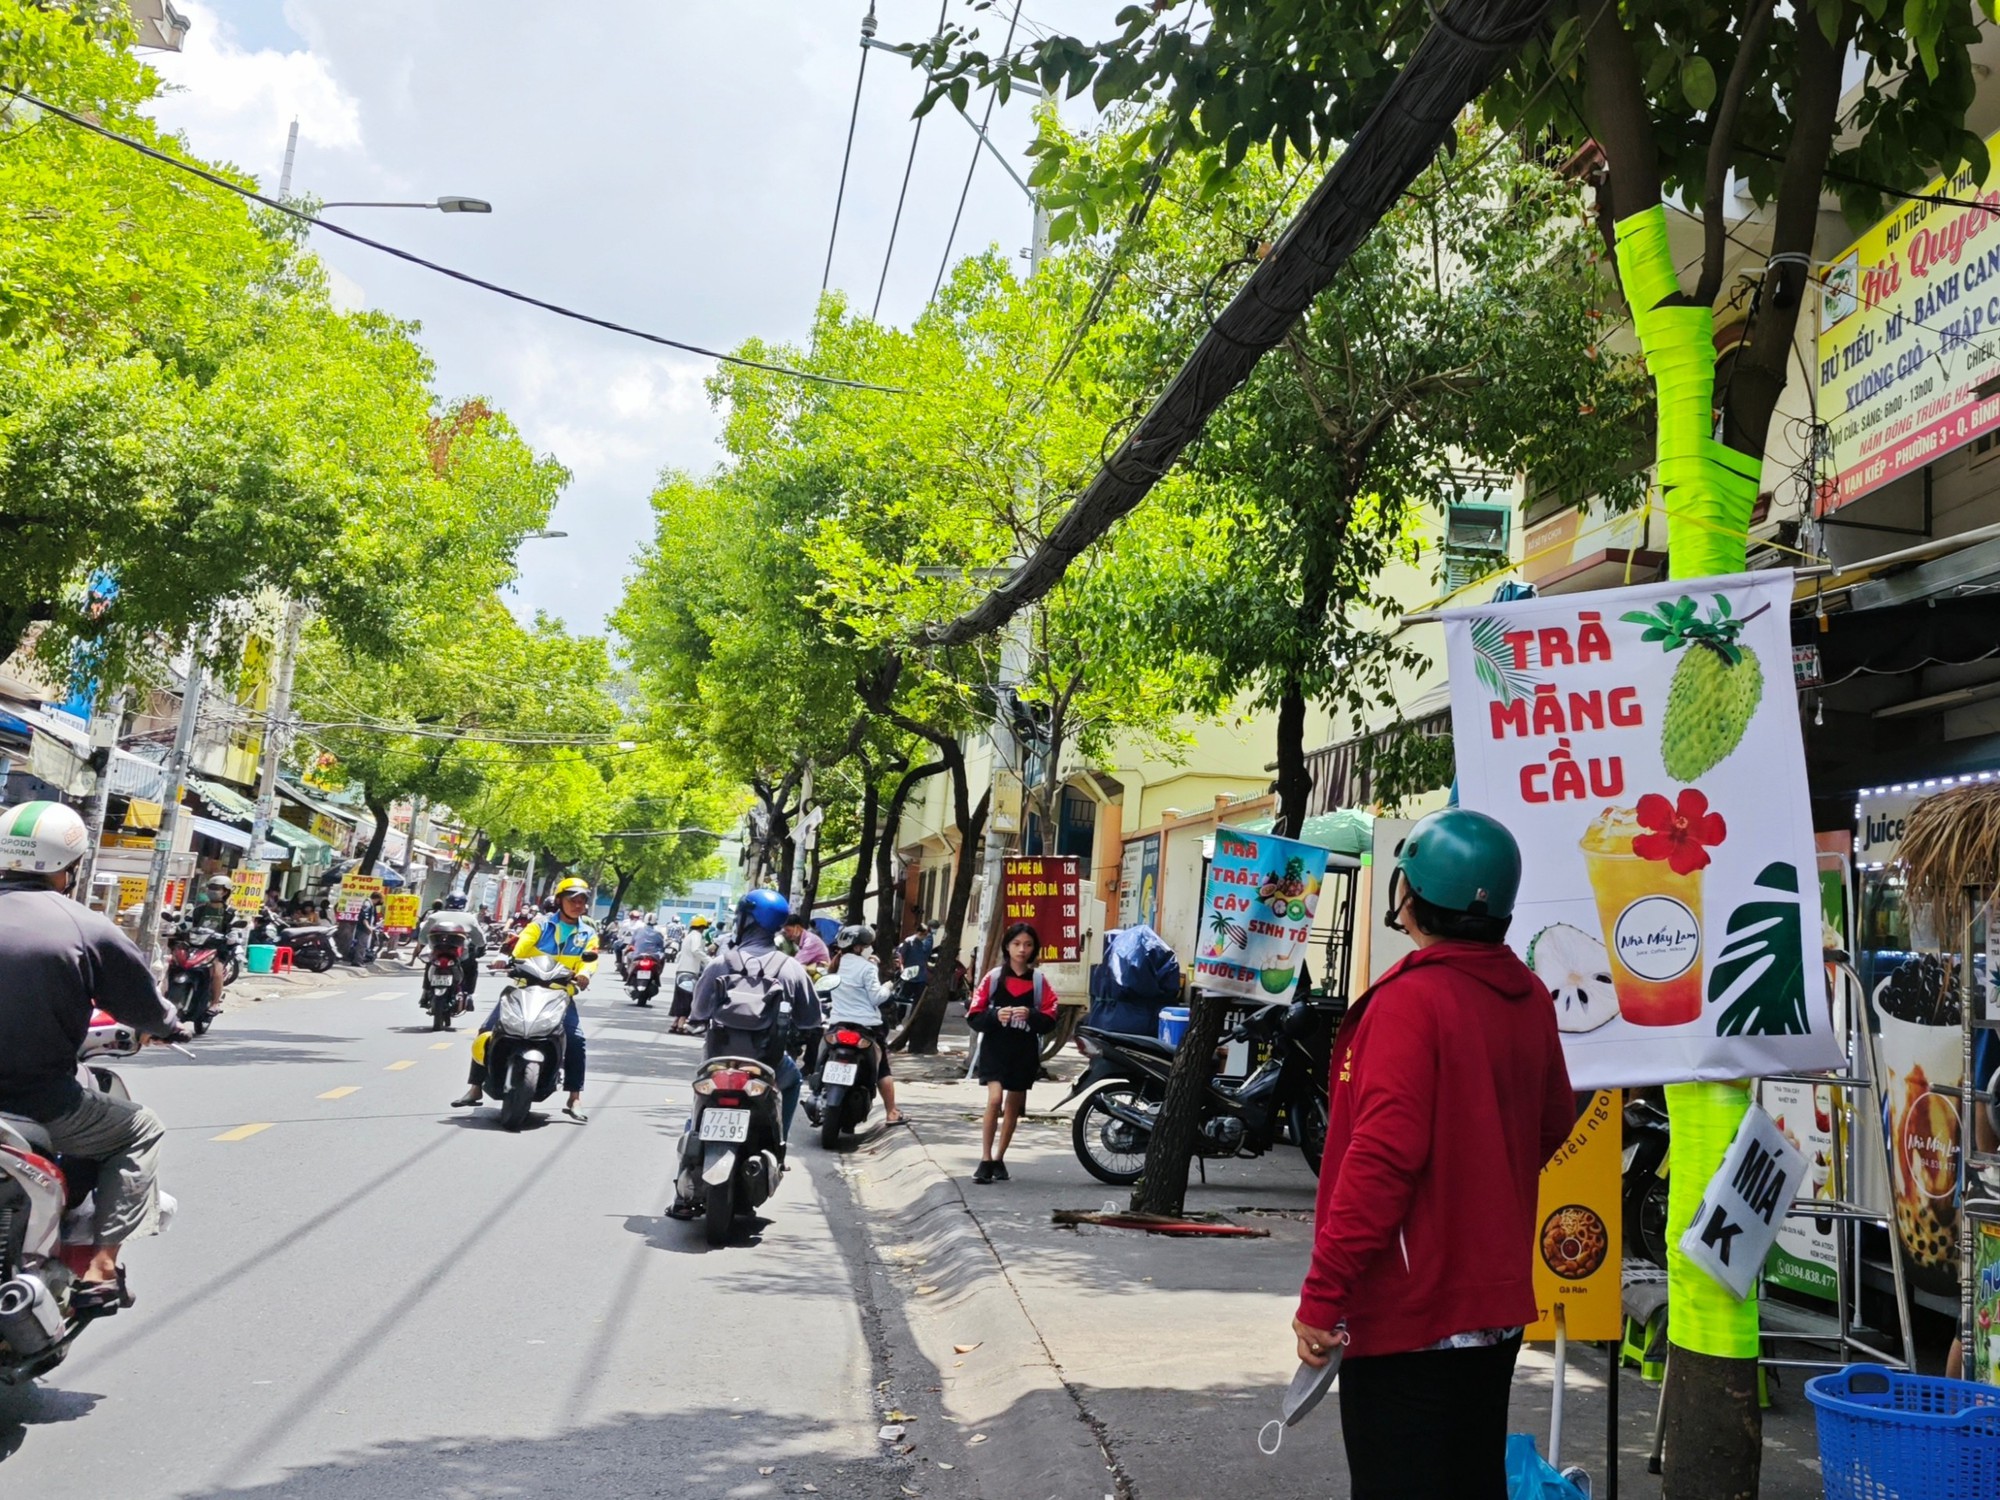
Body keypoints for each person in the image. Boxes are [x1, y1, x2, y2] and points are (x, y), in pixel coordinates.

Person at [1291, 807, 1573, 1500]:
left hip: (1409, 1316)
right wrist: (1475, 1183)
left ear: (1409, 897)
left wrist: (1323, 1295)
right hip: (1494, 1313)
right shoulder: (1529, 997)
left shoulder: (1410, 1003)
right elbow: (1554, 1121)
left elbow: (1380, 1162)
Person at [0, 801, 190, 1310]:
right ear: (72, 865)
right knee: (141, 1127)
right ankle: (102, 1269)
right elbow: (144, 1006)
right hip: (40, 1103)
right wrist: (171, 1027)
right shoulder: (84, 926)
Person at [450, 876, 596, 1121]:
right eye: (573, 900)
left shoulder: (587, 933)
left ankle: (574, 1097)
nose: (577, 905)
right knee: (487, 1030)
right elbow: (521, 947)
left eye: (582, 901)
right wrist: (506, 960)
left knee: (576, 1040)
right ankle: (475, 1087)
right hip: (525, 988)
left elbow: (589, 961)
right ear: (560, 901)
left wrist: (583, 974)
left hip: (560, 995)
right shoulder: (540, 926)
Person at [689, 888, 819, 1142]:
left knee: (701, 1091)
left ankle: (693, 1132)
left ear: (746, 920)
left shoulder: (721, 963)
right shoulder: (791, 968)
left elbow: (699, 1011)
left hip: (717, 1058)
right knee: (792, 1082)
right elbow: (810, 1019)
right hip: (768, 1063)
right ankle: (780, 1142)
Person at [966, 922, 1058, 1183]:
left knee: (1013, 1104)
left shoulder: (1040, 981)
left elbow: (1051, 1016)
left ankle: (999, 1158)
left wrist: (1032, 1015)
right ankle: (985, 1158)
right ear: (1007, 946)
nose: (1022, 949)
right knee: (994, 1099)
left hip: (1023, 1051)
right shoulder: (993, 978)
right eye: (1017, 944)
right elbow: (974, 1014)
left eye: (1028, 945)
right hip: (996, 1047)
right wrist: (996, 1015)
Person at [819, 923, 903, 1125]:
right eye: (866, 946)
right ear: (859, 948)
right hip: (866, 1027)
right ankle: (891, 1112)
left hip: (838, 1024)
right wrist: (889, 986)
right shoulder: (866, 968)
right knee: (882, 1069)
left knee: (822, 1055)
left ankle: (817, 1086)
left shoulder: (835, 966)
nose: (868, 950)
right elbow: (876, 998)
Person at [411, 896, 487, 1006]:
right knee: (472, 967)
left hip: (436, 953)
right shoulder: (470, 918)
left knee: (429, 964)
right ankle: (469, 995)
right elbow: (480, 940)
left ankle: (425, 992)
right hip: (460, 957)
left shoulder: (434, 917)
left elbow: (422, 938)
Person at [183, 873, 236, 1018]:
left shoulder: (230, 913)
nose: (212, 891)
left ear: (225, 892)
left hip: (217, 949)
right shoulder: (198, 910)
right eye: (210, 888)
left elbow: (235, 930)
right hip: (195, 947)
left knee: (217, 970)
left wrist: (231, 936)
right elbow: (184, 924)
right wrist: (177, 929)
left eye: (216, 888)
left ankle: (215, 1003)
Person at [670, 914, 713, 1033]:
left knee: (680, 998)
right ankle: (681, 1024)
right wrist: (709, 960)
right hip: (689, 972)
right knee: (687, 999)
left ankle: (675, 1023)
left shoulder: (689, 936)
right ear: (702, 927)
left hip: (681, 971)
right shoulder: (697, 936)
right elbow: (696, 950)